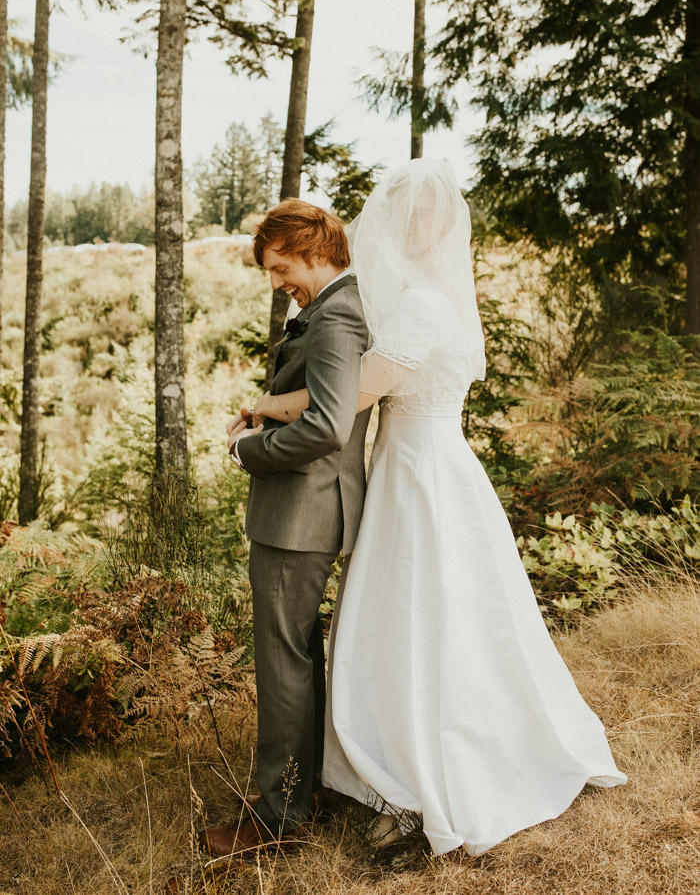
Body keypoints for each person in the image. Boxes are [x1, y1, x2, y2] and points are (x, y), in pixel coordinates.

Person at [248, 158, 627, 857]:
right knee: (445, 615)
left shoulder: (418, 305)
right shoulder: (440, 297)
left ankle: (426, 771)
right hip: (435, 465)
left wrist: (271, 406)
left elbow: (356, 395)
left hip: (417, 473)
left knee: (417, 618)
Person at [198, 198, 372, 858]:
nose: (276, 283)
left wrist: (247, 450)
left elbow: (330, 426)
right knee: (297, 660)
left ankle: (278, 819)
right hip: (304, 510)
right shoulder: (333, 309)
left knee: (283, 666)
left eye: (280, 268)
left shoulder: (335, 317)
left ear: (315, 250)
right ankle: (298, 792)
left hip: (303, 512)